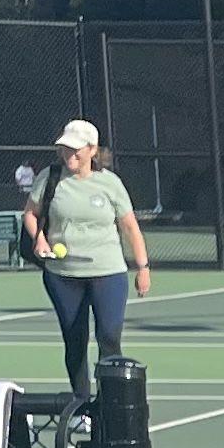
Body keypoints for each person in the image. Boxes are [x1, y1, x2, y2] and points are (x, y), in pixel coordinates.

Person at [27, 118, 151, 397]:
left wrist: (142, 267)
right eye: (65, 149)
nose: (69, 154)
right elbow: (30, 213)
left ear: (92, 149)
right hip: (63, 275)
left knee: (108, 337)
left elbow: (130, 227)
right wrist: (40, 238)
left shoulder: (110, 184)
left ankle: (110, 403)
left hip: (108, 272)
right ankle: (82, 404)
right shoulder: (50, 178)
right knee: (75, 340)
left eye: (75, 149)